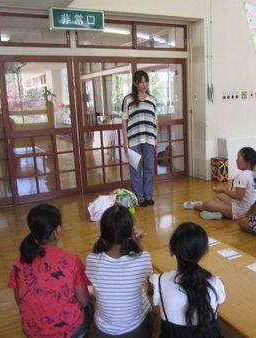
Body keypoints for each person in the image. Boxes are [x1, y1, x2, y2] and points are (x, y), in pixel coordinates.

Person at [8, 204, 92, 337]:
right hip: (69, 332)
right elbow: (84, 302)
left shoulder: (18, 263)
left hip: (32, 332)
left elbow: (20, 300)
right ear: (58, 231)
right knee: (91, 301)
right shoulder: (71, 261)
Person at [85, 206, 153, 337]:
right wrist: (138, 243)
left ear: (102, 235)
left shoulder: (91, 260)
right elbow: (150, 284)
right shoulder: (143, 258)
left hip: (104, 331)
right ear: (130, 234)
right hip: (137, 329)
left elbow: (96, 253)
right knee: (146, 303)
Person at [150, 223, 226, 337]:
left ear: (171, 250)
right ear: (206, 250)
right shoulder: (216, 284)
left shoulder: (159, 281)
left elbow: (153, 296)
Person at [183, 147, 256, 220]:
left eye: (238, 157)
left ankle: (196, 205)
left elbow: (239, 196)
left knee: (209, 204)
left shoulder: (243, 176)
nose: (236, 160)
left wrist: (223, 189)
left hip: (240, 211)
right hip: (246, 207)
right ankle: (219, 214)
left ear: (247, 162)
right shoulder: (253, 175)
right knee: (219, 196)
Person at [122, 70, 157, 207]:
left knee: (149, 168)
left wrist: (156, 138)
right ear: (135, 83)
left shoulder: (152, 99)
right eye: (141, 82)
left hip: (149, 139)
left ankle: (148, 195)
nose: (144, 84)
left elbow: (155, 120)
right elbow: (124, 121)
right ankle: (139, 198)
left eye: (146, 81)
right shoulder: (128, 100)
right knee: (135, 169)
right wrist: (125, 141)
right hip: (134, 139)